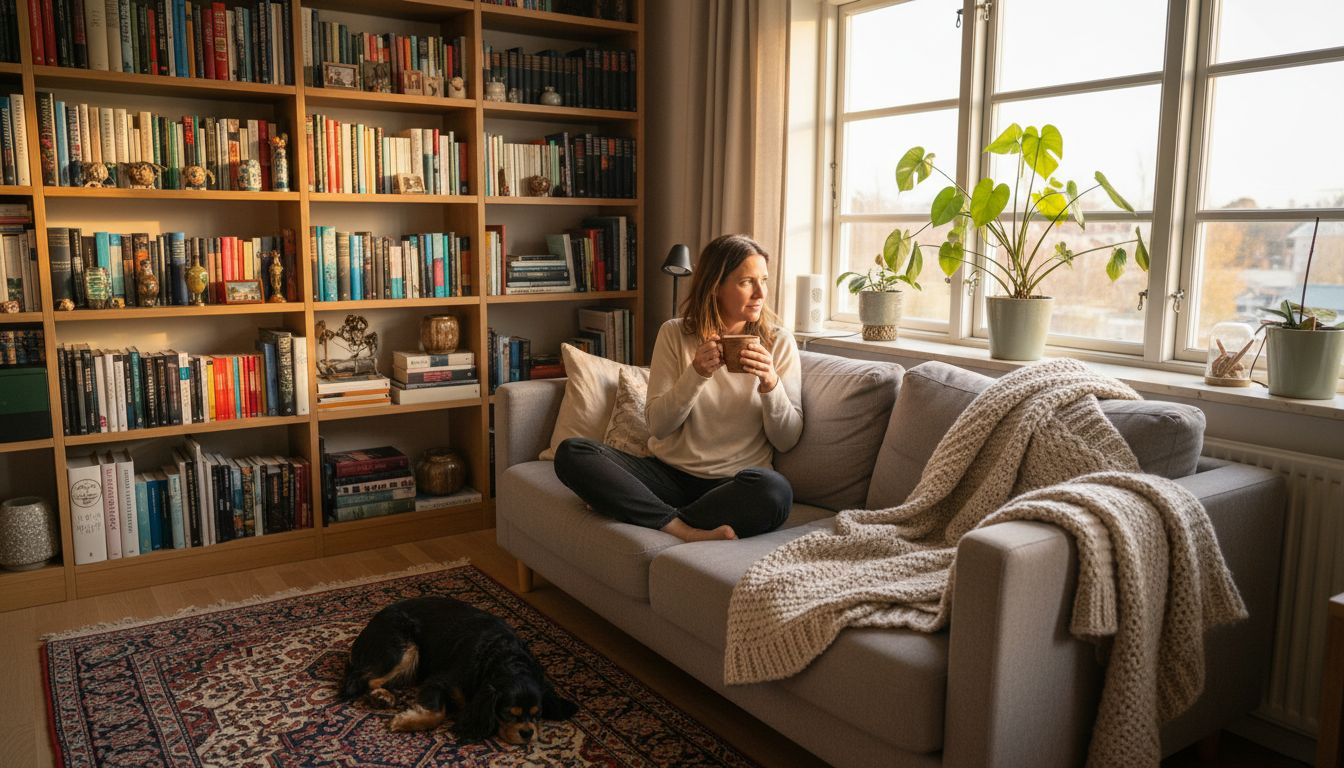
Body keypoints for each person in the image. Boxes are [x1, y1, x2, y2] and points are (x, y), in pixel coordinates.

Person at [553, 234, 802, 542]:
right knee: (573, 453)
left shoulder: (779, 342)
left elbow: (787, 439)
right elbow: (659, 426)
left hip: (732, 484)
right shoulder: (674, 333)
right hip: (667, 476)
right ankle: (681, 528)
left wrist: (770, 383)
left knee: (775, 491)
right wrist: (696, 374)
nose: (761, 293)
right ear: (716, 286)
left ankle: (646, 511)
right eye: (746, 282)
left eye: (763, 280)